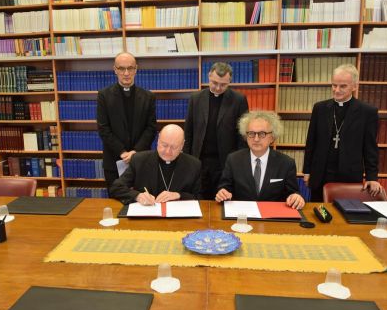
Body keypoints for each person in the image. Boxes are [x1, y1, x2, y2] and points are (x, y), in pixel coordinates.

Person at [303, 64, 381, 202]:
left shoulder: (367, 112)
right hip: (320, 174)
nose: (336, 90)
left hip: (349, 176)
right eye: (334, 85)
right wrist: (307, 171)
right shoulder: (320, 108)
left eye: (342, 86)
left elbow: (370, 148)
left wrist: (372, 177)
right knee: (319, 213)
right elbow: (311, 142)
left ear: (354, 86)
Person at [183, 62, 248, 200]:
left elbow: (242, 135)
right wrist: (187, 160)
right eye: (214, 83)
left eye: (223, 84)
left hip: (225, 162)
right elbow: (189, 131)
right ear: (208, 76)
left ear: (230, 81)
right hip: (199, 161)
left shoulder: (239, 100)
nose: (218, 88)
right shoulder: (196, 99)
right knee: (199, 199)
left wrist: (238, 163)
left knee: (222, 200)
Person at [215, 111, 305, 209]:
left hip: (272, 218)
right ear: (245, 136)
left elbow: (292, 193)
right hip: (241, 216)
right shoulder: (233, 159)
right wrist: (222, 192)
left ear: (272, 137)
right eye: (251, 133)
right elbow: (225, 187)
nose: (256, 139)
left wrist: (296, 197)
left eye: (262, 134)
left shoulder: (286, 163)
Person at [97, 52, 157, 192]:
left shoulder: (148, 97)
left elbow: (151, 128)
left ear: (136, 69)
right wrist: (122, 152)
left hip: (141, 160)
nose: (126, 73)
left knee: (142, 202)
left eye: (130, 68)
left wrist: (135, 152)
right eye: (121, 68)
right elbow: (103, 129)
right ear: (115, 70)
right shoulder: (104, 96)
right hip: (114, 161)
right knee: (116, 201)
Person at [110, 124, 201, 205]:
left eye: (174, 147)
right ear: (158, 140)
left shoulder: (194, 165)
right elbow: (116, 188)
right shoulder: (139, 160)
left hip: (179, 221)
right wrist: (137, 196)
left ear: (182, 145)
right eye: (164, 145)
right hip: (147, 218)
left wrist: (179, 195)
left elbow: (200, 196)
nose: (168, 151)